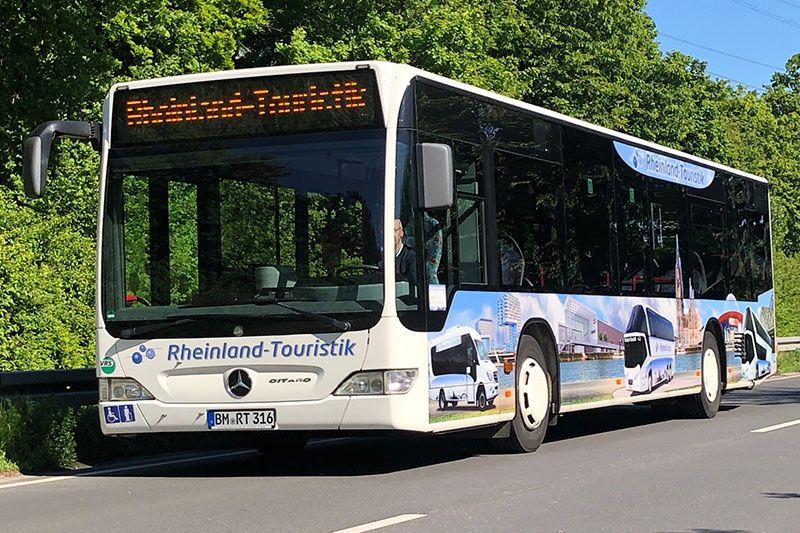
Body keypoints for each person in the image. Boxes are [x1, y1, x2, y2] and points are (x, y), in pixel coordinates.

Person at [394, 219, 417, 285]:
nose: (390, 235)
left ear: (401, 233)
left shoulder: (411, 257)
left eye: (394, 230)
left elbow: (413, 284)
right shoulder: (380, 258)